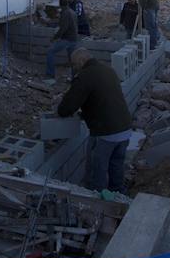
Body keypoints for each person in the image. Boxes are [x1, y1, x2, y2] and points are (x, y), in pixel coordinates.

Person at [57, 48, 132, 193]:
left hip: (105, 133)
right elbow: (103, 100)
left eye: (74, 64)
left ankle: (94, 207)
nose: (74, 68)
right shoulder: (108, 70)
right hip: (124, 129)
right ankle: (119, 200)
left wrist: (62, 108)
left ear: (81, 61)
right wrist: (86, 113)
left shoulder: (85, 76)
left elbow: (66, 108)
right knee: (116, 169)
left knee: (95, 177)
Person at [46, 0, 78, 79]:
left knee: (50, 51)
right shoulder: (72, 12)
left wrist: (54, 38)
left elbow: (63, 28)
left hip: (67, 39)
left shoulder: (65, 13)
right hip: (74, 39)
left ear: (60, 5)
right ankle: (74, 78)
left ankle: (50, 74)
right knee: (72, 59)